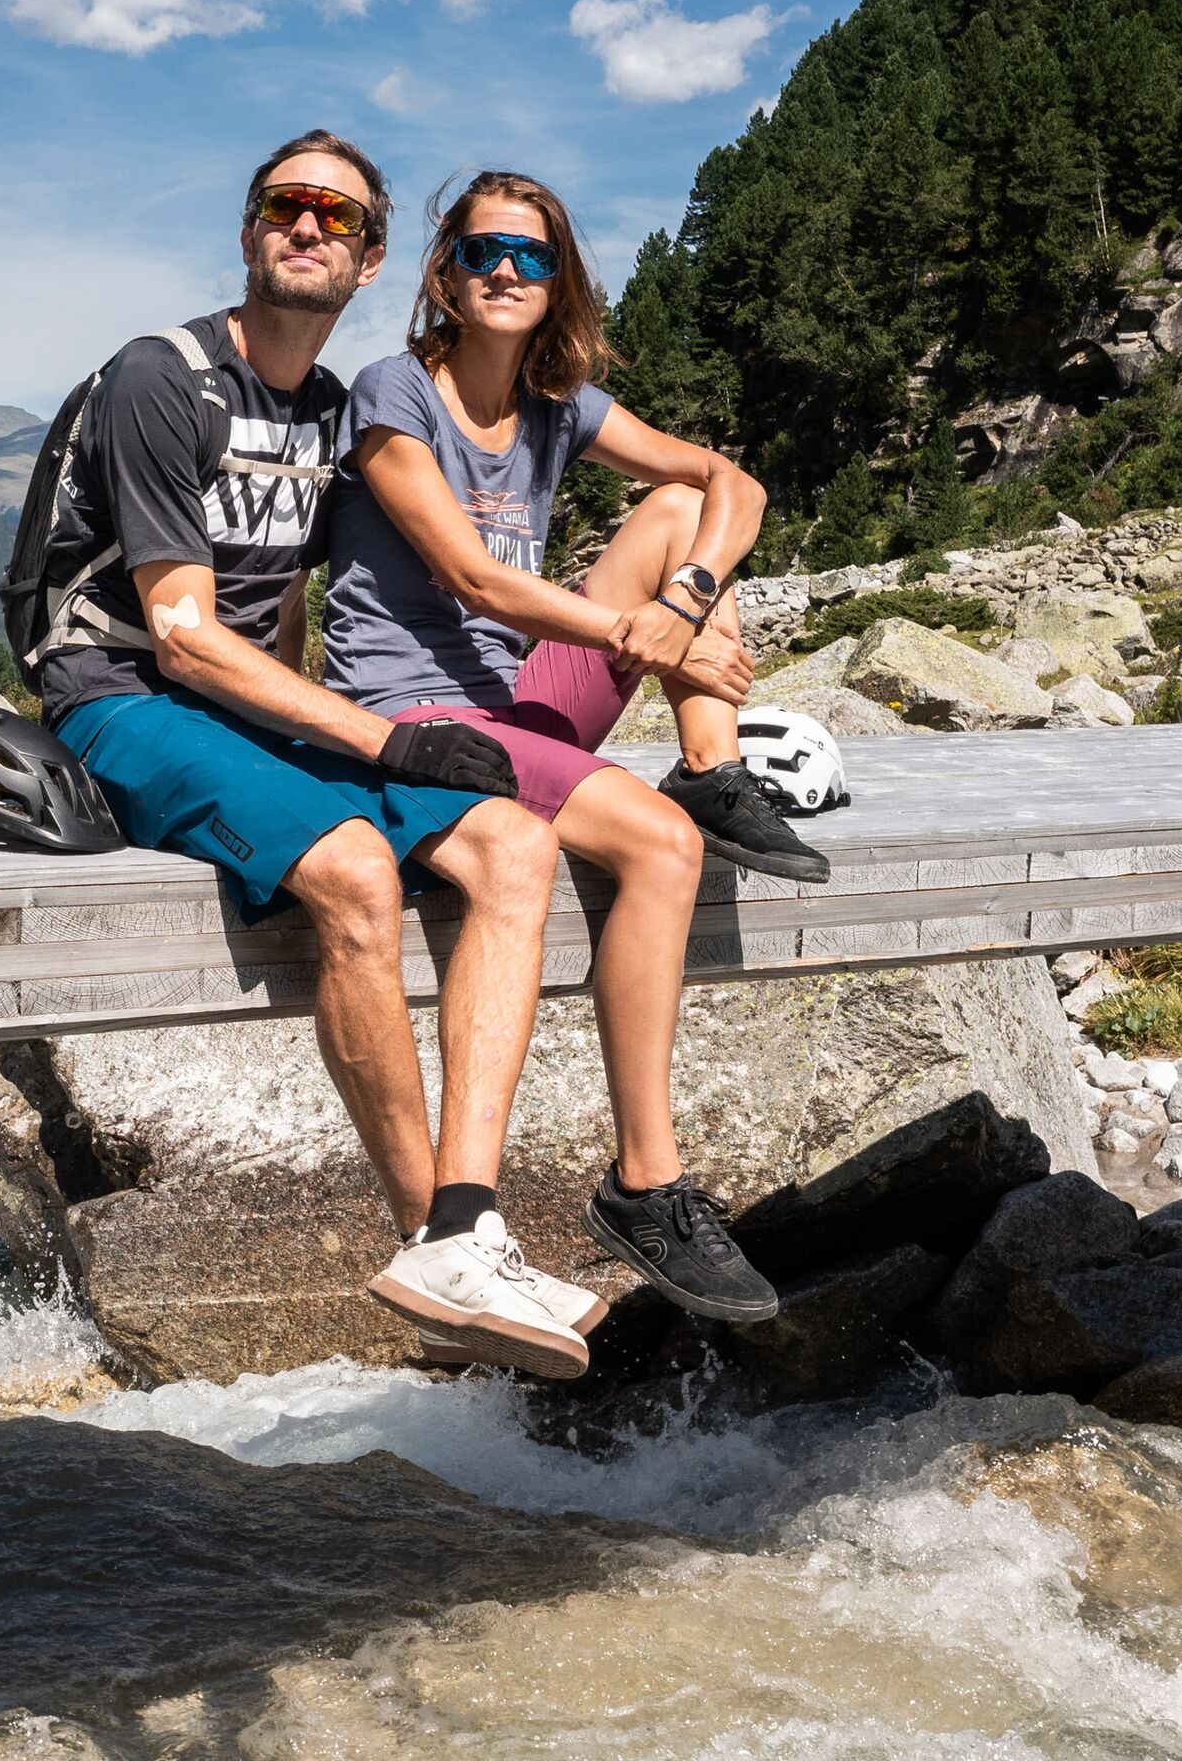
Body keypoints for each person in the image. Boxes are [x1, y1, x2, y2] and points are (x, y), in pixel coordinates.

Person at [36, 130, 608, 1379]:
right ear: (249, 229)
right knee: (352, 867)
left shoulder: (322, 411)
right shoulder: (163, 376)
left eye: (337, 217)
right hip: (116, 691)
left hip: (246, 706)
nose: (308, 227)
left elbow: (282, 606)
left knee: (513, 842)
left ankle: (470, 1220)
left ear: (370, 259)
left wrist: (315, 724)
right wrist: (388, 736)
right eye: (286, 205)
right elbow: (185, 635)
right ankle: (429, 1246)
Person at [322, 169, 819, 1325]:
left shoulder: (561, 405)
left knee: (679, 512)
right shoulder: (393, 392)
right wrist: (649, 635)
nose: (505, 270)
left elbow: (730, 484)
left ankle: (710, 766)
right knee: (658, 848)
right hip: (417, 719)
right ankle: (644, 1180)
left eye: (531, 256)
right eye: (482, 250)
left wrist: (684, 599)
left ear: (557, 283)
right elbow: (473, 578)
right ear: (443, 272)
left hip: (516, 699)